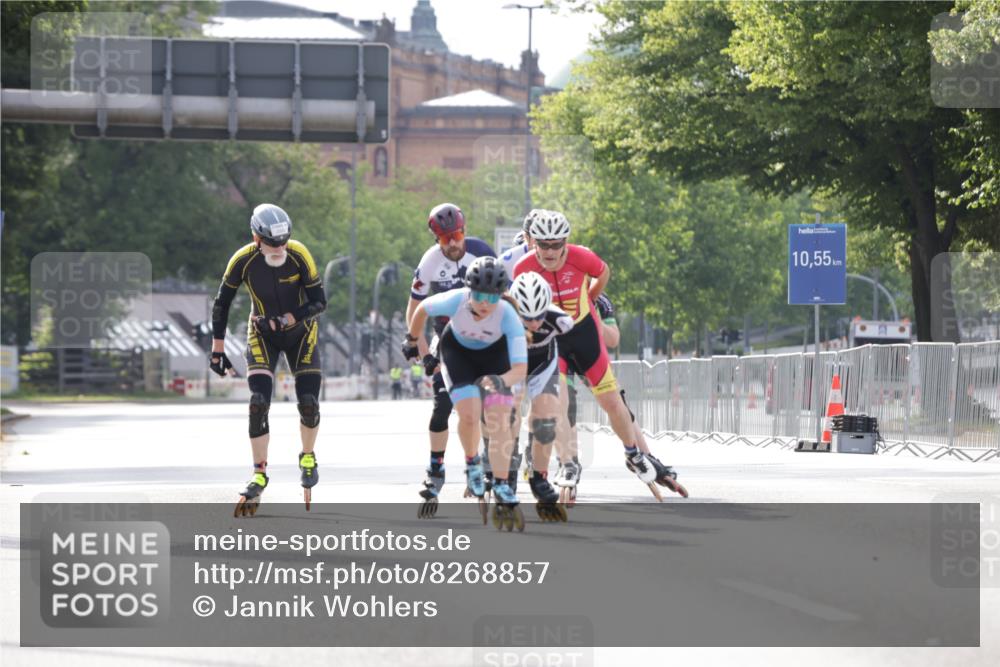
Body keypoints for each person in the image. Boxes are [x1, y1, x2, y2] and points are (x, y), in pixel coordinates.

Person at [512, 211, 671, 500]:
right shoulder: (523, 267)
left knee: (612, 400)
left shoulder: (582, 257)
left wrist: (591, 297)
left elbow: (604, 272)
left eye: (555, 244)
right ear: (532, 242)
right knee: (558, 404)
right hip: (553, 339)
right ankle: (568, 462)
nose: (548, 251)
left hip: (584, 334)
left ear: (565, 242)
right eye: (542, 245)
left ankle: (633, 454)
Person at [210, 203, 326, 516]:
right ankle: (259, 474)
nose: (279, 249)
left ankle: (307, 455)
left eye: (284, 241)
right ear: (256, 238)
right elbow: (222, 303)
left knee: (309, 404)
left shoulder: (299, 254)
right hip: (261, 332)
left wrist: (291, 318)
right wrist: (217, 348)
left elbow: (319, 301)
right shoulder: (243, 259)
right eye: (273, 244)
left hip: (302, 333)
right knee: (258, 401)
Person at [403, 257, 528, 529]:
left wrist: (500, 380)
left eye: (492, 298)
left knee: (498, 420)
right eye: (479, 295)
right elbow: (422, 308)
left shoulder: (509, 317)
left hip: (496, 360)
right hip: (457, 353)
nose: (485, 303)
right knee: (469, 414)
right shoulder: (455, 300)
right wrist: (412, 340)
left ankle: (502, 484)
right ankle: (472, 462)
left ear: (501, 296)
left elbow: (520, 369)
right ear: (469, 290)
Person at [405, 203, 495, 508]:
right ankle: (436, 468)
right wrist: (423, 354)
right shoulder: (430, 262)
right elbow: (414, 309)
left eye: (456, 235)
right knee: (442, 404)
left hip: (483, 337)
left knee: (484, 405)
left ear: (464, 231)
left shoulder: (482, 252)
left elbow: (502, 297)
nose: (453, 243)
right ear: (436, 240)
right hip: (445, 339)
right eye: (445, 239)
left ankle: (482, 462)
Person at [509, 271, 573, 521]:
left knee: (547, 421)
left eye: (539, 316)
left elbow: (579, 348)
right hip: (511, 362)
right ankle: (509, 473)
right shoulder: (502, 317)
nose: (534, 323)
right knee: (508, 415)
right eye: (527, 318)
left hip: (542, 363)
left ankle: (538, 477)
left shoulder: (561, 321)